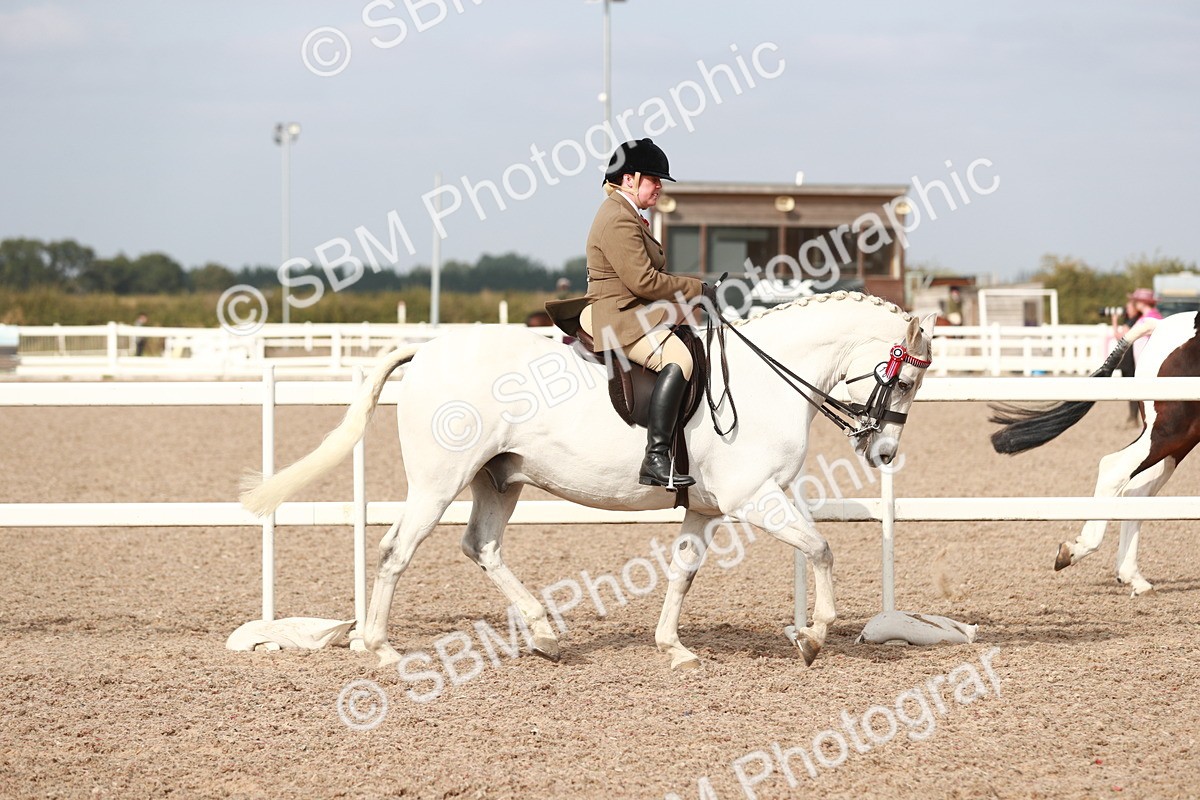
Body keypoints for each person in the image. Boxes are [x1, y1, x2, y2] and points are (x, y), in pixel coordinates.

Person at [546, 138, 706, 488]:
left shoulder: (627, 214)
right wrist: (698, 289)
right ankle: (656, 457)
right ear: (630, 179)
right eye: (654, 179)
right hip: (616, 314)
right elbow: (644, 281)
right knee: (680, 360)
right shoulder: (618, 218)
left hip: (629, 310)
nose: (660, 186)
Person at [1111, 288, 1163, 424]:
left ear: (1141, 302)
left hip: (1148, 362)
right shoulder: (1148, 317)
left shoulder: (1150, 318)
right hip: (1143, 361)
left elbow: (1124, 337)